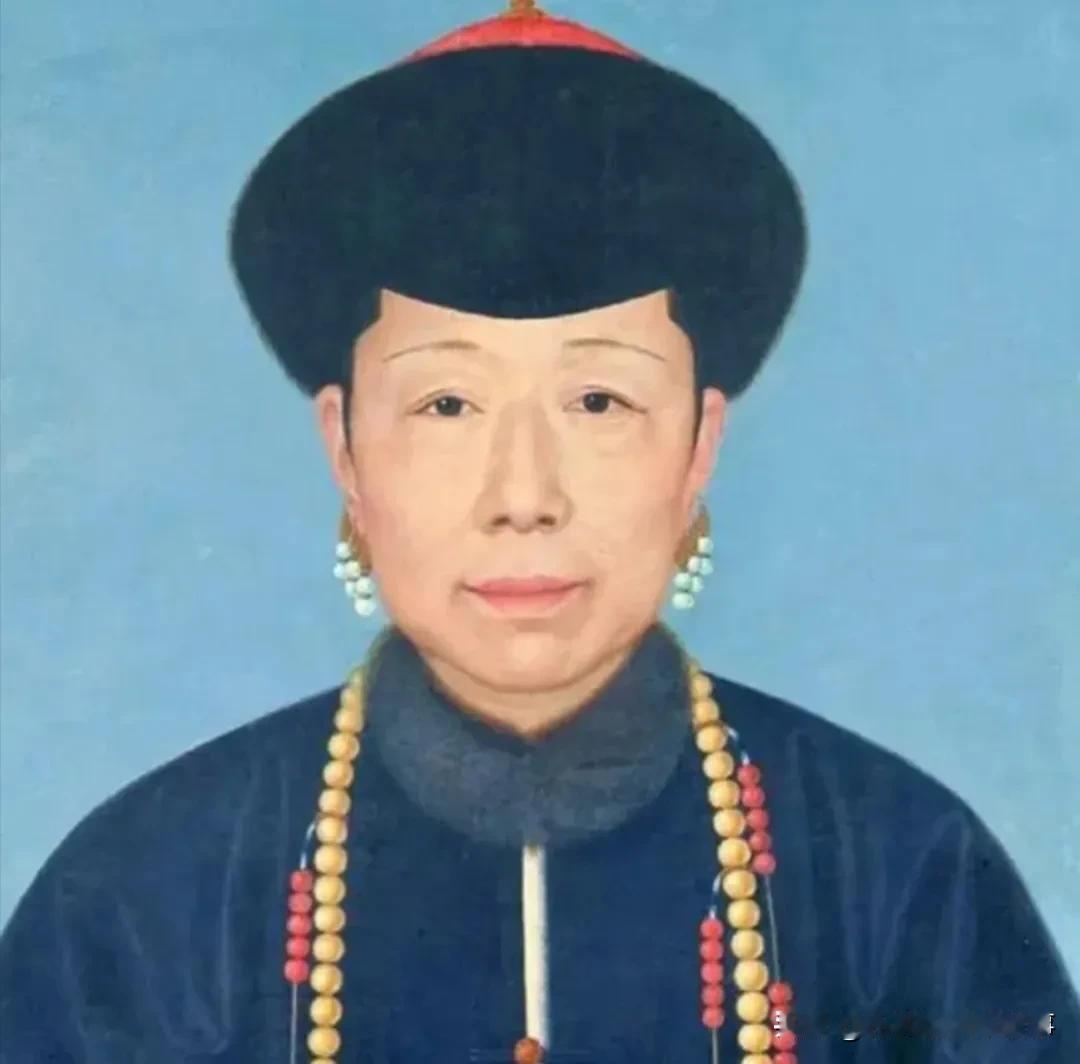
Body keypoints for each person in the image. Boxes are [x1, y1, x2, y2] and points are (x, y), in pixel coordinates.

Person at [0, 3, 1076, 1062]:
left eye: (599, 401)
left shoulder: (901, 872)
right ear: (347, 449)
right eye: (447, 405)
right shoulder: (140, 898)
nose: (524, 494)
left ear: (698, 445)